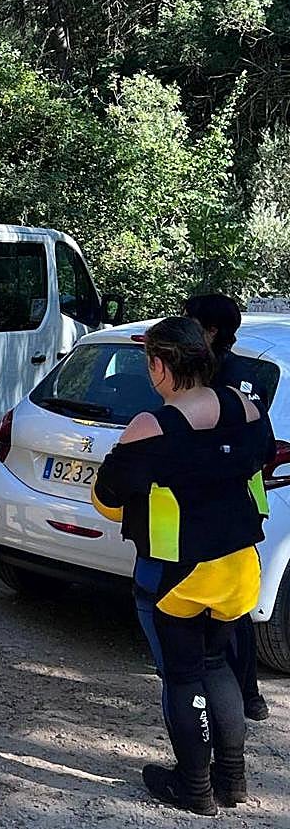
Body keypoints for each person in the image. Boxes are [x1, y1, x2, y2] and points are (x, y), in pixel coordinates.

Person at [92, 317, 271, 816]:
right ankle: (231, 780)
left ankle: (194, 787)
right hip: (239, 565)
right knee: (219, 666)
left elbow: (107, 496)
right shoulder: (248, 407)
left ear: (158, 365)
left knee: (183, 676)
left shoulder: (152, 426)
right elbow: (253, 464)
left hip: (179, 574)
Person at [183, 294, 271, 723]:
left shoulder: (237, 377)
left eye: (190, 321)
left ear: (211, 331)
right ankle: (233, 689)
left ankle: (247, 692)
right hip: (217, 506)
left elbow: (260, 445)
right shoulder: (204, 371)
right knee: (221, 605)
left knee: (232, 611)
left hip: (233, 505)